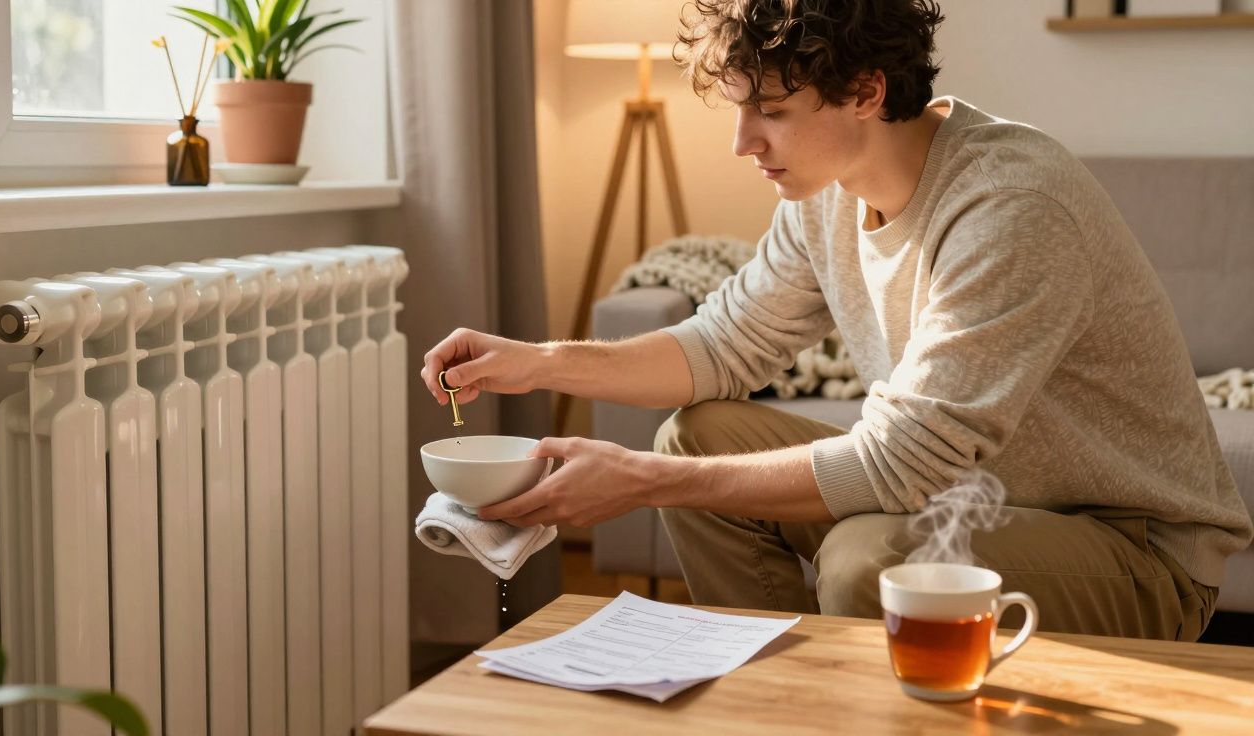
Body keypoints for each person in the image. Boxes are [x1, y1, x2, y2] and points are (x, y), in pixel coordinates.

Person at [421, 0, 1251, 640]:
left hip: (1133, 549)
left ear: (866, 91)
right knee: (695, 433)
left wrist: (636, 483)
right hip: (974, 502)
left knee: (871, 561)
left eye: (772, 111)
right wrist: (535, 361)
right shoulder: (827, 195)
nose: (744, 142)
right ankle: (788, 695)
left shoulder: (1011, 207)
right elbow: (721, 347)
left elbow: (900, 464)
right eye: (741, 109)